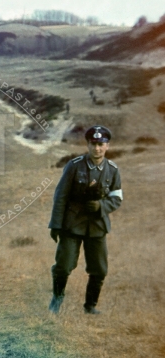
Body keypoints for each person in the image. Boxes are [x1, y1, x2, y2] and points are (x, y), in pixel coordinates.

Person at [48, 125, 122, 315]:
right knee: (63, 266)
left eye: (101, 144)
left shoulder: (113, 170)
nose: (97, 148)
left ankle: (90, 306)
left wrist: (102, 207)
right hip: (72, 224)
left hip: (97, 225)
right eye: (93, 144)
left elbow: (117, 198)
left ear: (107, 146)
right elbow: (60, 196)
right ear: (87, 145)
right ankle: (57, 299)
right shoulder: (74, 165)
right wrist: (56, 225)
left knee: (99, 269)